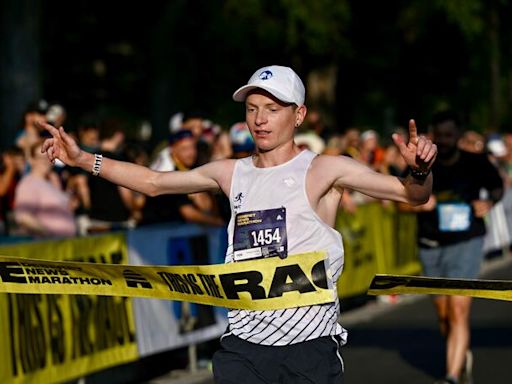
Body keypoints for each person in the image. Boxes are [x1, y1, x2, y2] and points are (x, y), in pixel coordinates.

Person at [39, 65, 437, 383]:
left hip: (308, 346)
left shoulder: (323, 169)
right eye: (252, 109)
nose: (260, 120)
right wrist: (82, 160)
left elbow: (411, 195)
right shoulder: (231, 173)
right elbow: (154, 183)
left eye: (272, 109)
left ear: (298, 115)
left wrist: (420, 171)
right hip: (243, 348)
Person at [402, 110, 503, 384]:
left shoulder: (475, 161)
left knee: (458, 310)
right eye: (440, 135)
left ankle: (452, 376)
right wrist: (419, 203)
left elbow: (497, 187)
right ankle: (459, 353)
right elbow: (399, 199)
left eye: (449, 135)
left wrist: (489, 203)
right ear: (432, 135)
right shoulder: (419, 164)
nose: (444, 140)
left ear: (458, 135)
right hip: (430, 245)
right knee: (444, 316)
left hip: (466, 241)